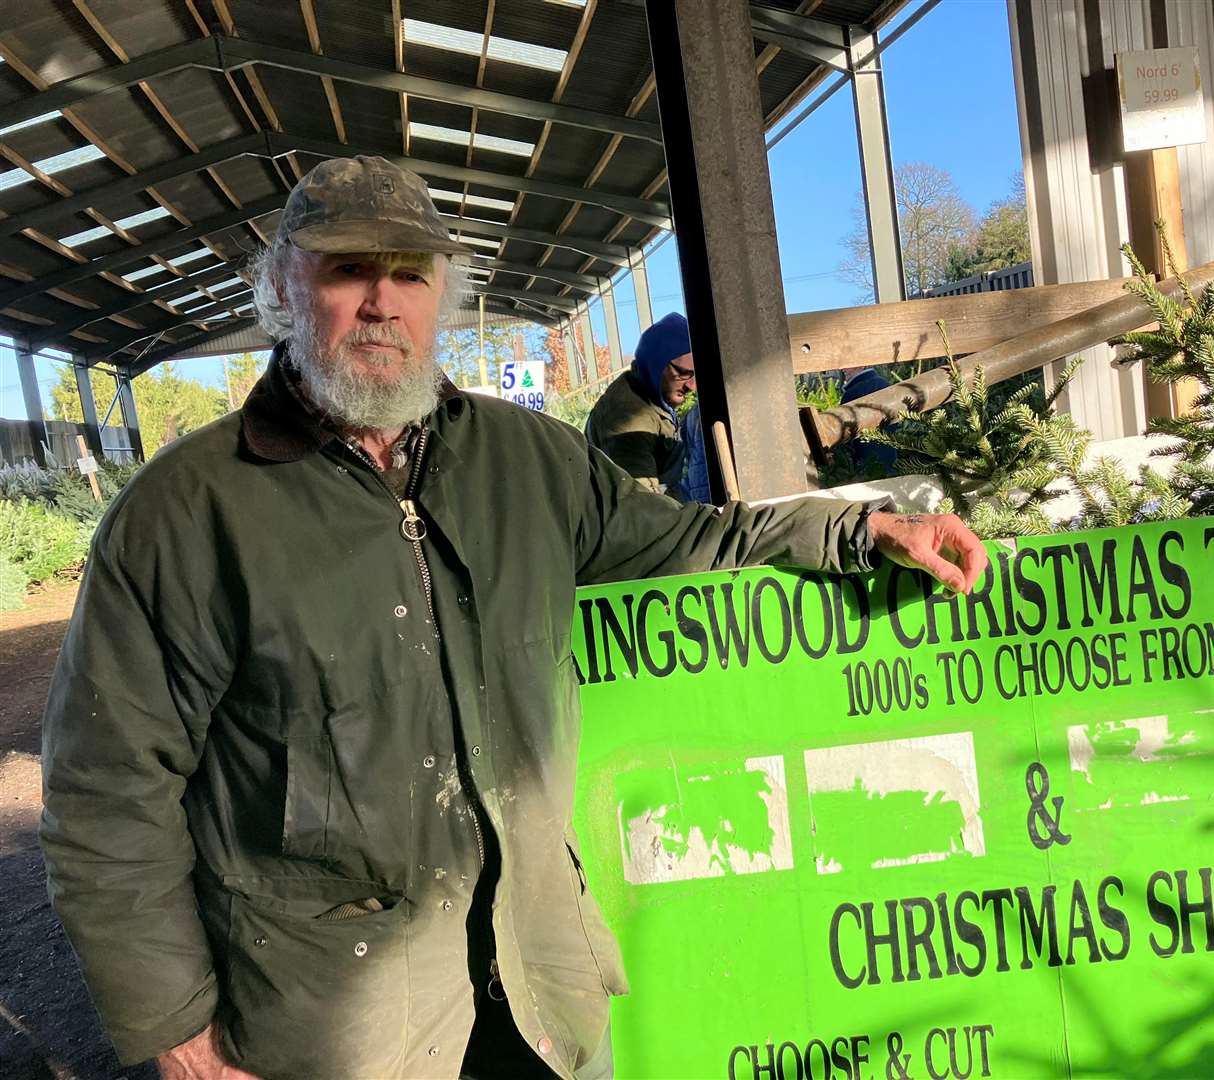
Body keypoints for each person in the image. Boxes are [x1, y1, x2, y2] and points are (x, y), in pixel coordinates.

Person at [39, 155, 988, 1080]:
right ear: (287, 289)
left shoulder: (527, 462)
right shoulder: (188, 515)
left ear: (441, 298)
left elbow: (692, 542)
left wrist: (864, 532)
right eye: (347, 270)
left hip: (537, 990)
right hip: (332, 1022)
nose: (383, 302)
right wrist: (183, 1035)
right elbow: (108, 794)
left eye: (409, 274)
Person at [584, 312, 693, 498]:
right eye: (684, 373)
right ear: (656, 364)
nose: (692, 386)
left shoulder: (654, 401)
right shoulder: (628, 418)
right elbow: (643, 504)